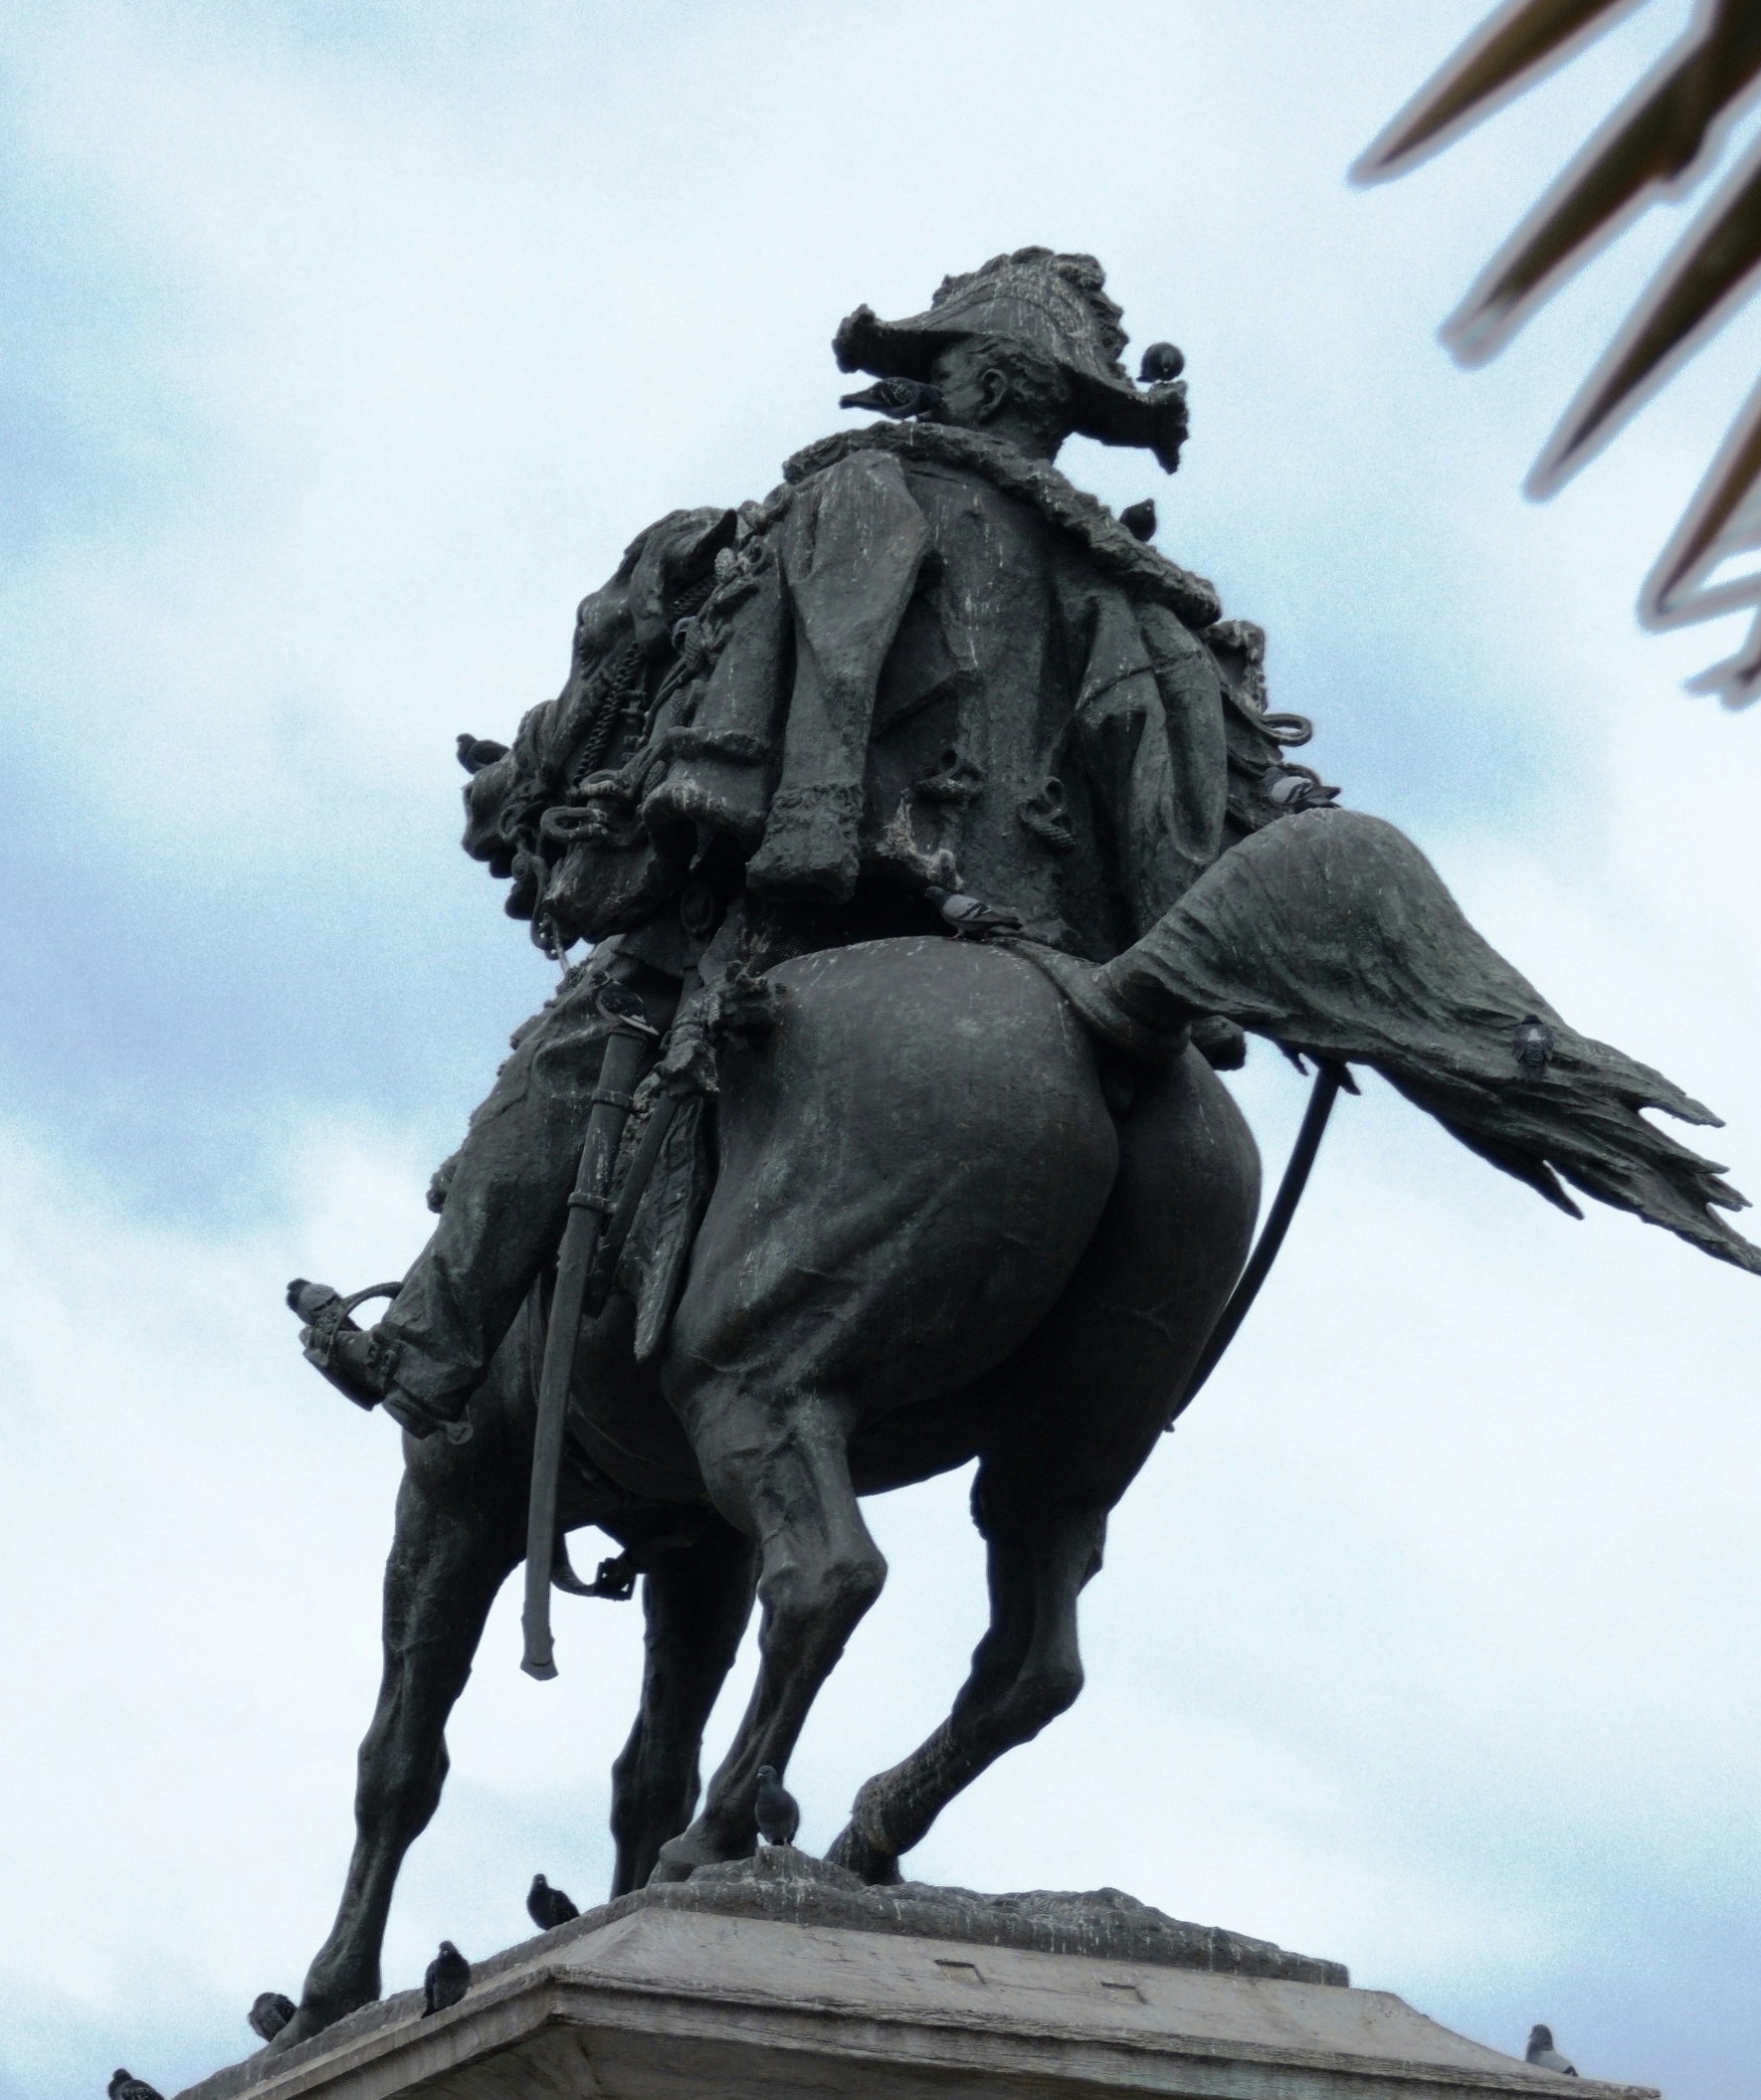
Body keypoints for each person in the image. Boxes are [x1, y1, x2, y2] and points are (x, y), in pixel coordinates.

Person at [289, 248, 1316, 1438]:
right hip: (1069, 957)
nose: (929, 394)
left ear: (980, 384)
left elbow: (826, 660)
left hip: (827, 908)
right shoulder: (1136, 589)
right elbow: (1169, 791)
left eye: (944, 369)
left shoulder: (860, 489)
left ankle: (428, 1339)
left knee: (588, 1037)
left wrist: (809, 827)